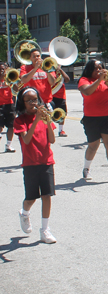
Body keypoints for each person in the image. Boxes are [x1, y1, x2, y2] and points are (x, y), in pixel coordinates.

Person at [13, 86, 57, 244]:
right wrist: (37, 119)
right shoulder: (20, 120)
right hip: (30, 163)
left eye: (35, 100)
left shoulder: (44, 117)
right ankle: (24, 213)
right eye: (29, 100)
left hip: (46, 161)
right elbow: (26, 140)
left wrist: (48, 120)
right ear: (22, 103)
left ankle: (45, 230)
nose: (33, 103)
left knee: (47, 195)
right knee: (32, 197)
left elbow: (52, 140)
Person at [78, 60, 108, 183]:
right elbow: (87, 91)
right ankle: (86, 168)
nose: (98, 70)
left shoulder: (107, 80)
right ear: (89, 69)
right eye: (96, 68)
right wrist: (99, 80)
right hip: (91, 118)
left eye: (100, 68)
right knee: (93, 145)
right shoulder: (84, 80)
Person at [0, 62, 17, 152]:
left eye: (3, 69)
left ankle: (8, 145)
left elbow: (16, 90)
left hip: (9, 104)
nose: (2, 71)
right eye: (0, 70)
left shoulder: (9, 78)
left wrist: (14, 81)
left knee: (11, 126)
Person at [51, 67, 71, 137]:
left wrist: (61, 70)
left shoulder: (60, 74)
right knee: (49, 113)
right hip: (51, 96)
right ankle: (49, 129)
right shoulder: (49, 72)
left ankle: (61, 130)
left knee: (62, 113)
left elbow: (67, 80)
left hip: (61, 96)